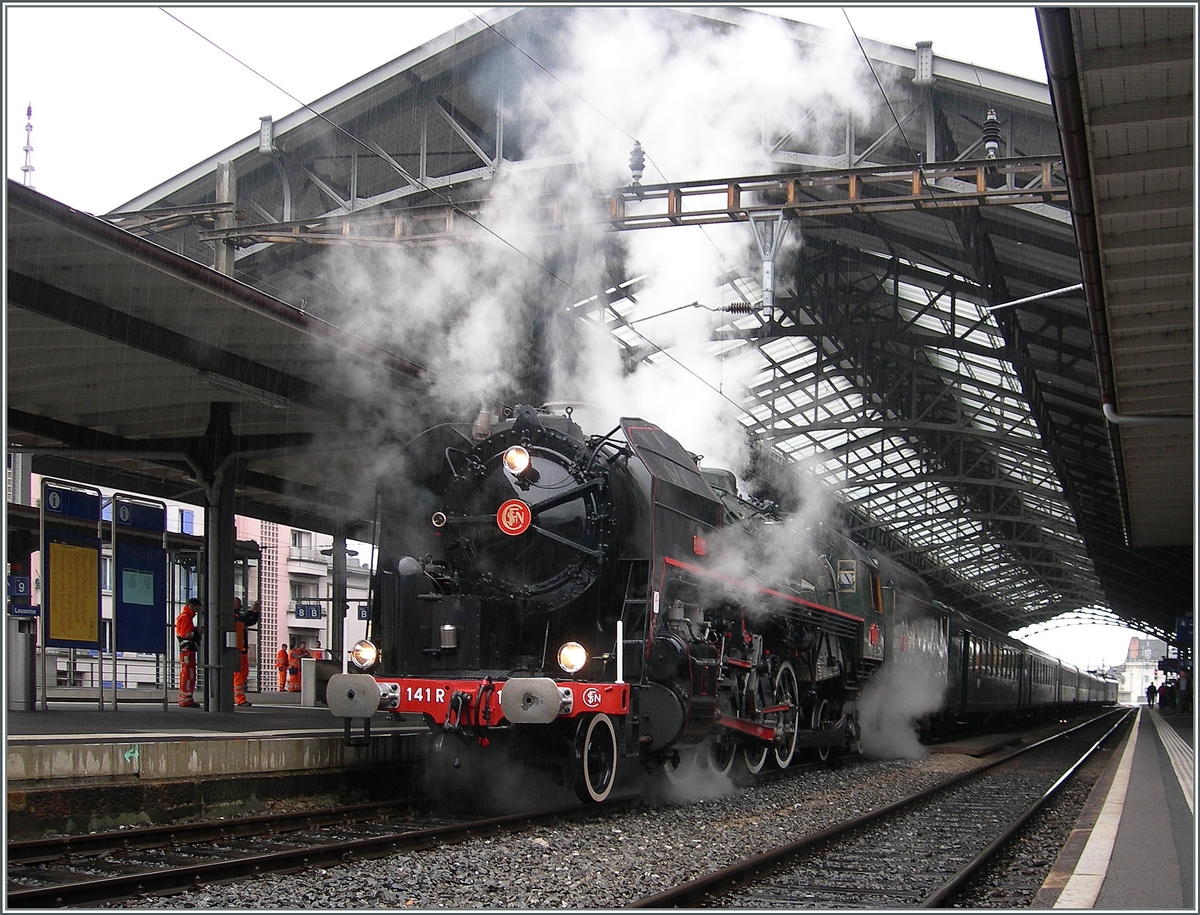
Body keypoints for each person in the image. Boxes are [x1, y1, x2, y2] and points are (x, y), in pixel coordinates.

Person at [174, 598, 203, 707]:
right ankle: (186, 699)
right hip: (188, 650)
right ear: (190, 606)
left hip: (186, 650)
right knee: (188, 674)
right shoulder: (186, 617)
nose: (196, 612)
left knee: (187, 673)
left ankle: (186, 698)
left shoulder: (184, 617)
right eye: (196, 609)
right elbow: (185, 634)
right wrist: (196, 632)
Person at [232, 598, 260, 707]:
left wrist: (254, 612)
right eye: (238, 603)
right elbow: (245, 621)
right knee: (239, 675)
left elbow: (248, 621)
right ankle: (239, 699)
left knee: (242, 673)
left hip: (241, 649)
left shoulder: (237, 616)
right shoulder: (233, 617)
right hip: (238, 649)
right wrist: (252, 611)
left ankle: (238, 697)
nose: (240, 605)